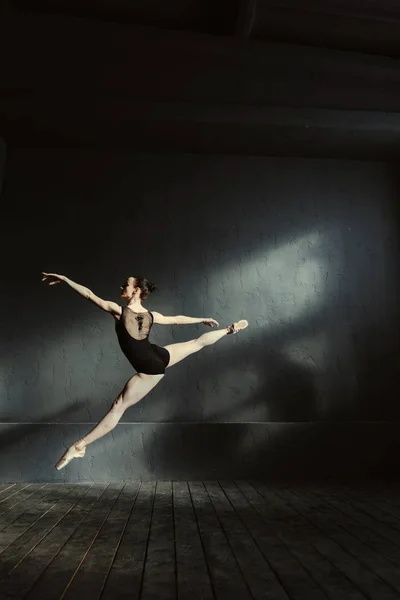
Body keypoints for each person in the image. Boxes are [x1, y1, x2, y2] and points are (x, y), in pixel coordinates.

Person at [41, 272, 248, 470]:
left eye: (127, 284)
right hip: (158, 354)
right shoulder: (151, 315)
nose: (122, 287)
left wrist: (66, 279)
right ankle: (229, 330)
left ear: (136, 290)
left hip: (149, 367)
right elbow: (176, 318)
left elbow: (88, 294)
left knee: (118, 407)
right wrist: (201, 319)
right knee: (196, 343)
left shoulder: (119, 311)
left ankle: (79, 446)